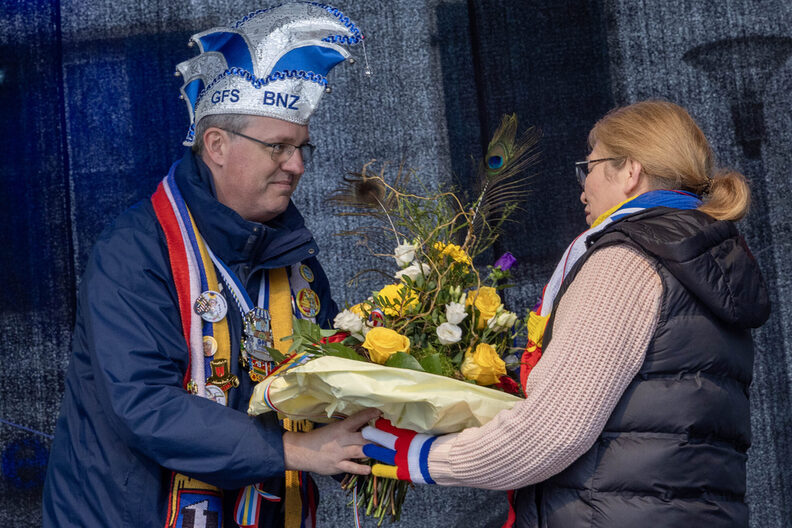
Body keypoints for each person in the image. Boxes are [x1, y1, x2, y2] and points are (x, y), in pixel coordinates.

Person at [42, 4, 377, 527]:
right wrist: (295, 452)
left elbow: (325, 380)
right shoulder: (135, 251)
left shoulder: (293, 253)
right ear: (217, 146)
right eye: (279, 147)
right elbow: (146, 406)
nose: (297, 165)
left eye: (300, 147)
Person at [361, 100, 770, 527]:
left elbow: (553, 431)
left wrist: (421, 455)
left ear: (630, 171)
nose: (582, 186)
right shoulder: (707, 261)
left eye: (588, 167)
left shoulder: (627, 262)